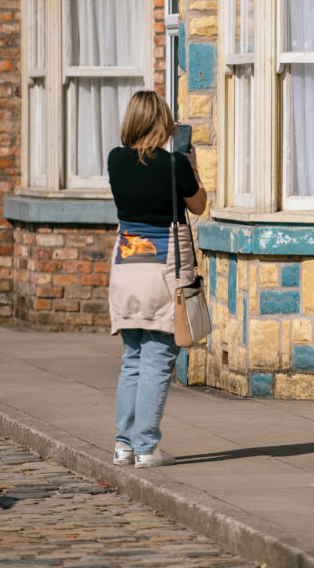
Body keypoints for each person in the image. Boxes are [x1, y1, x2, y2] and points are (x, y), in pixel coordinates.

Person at [106, 90, 207, 468]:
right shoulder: (173, 164)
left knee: (133, 357)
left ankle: (123, 445)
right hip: (164, 271)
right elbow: (199, 206)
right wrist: (191, 165)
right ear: (161, 122)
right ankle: (147, 446)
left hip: (126, 267)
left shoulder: (115, 160)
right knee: (159, 358)